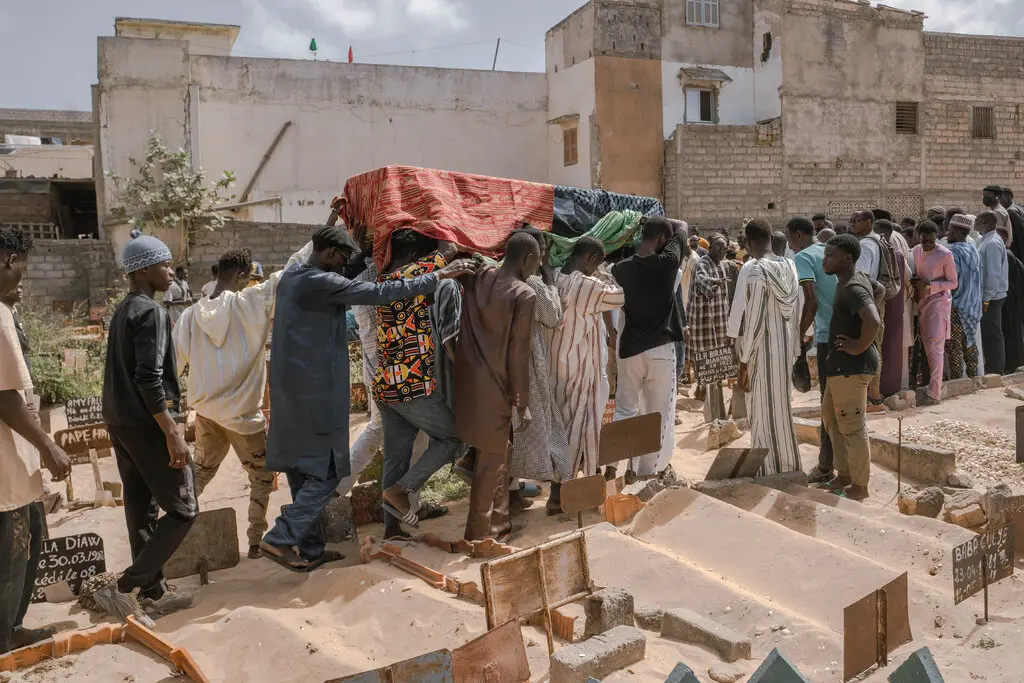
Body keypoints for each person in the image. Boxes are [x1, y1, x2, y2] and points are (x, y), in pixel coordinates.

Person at [260, 226, 475, 569]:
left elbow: (355, 271)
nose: (346, 267)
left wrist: (364, 246)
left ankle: (310, 550)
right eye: (342, 260)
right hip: (315, 394)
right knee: (328, 474)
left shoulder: (291, 277)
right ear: (330, 254)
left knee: (303, 472)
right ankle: (280, 538)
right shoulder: (322, 283)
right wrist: (440, 274)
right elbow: (380, 291)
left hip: (294, 392)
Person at [95, 232, 195, 626]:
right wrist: (171, 431)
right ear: (143, 269)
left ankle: (153, 592)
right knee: (184, 509)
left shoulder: (124, 310)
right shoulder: (151, 312)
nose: (171, 271)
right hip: (147, 423)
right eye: (165, 264)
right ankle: (125, 586)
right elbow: (149, 378)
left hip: (121, 422)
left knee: (141, 507)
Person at [172, 248, 280, 560]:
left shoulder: (190, 315)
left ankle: (174, 531)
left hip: (206, 413)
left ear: (217, 273)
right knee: (261, 477)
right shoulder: (250, 301)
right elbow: (290, 271)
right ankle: (256, 541)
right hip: (243, 416)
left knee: (201, 473)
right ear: (243, 276)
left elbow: (172, 365)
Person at [0, 228, 72, 655]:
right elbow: (6, 396)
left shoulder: (5, 310)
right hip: (7, 462)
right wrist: (47, 444)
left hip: (15, 461)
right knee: (15, 552)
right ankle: (6, 635)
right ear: (10, 260)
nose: (23, 276)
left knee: (32, 536)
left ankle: (13, 626)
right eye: (21, 265)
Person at [375, 230, 465, 531]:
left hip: (387, 384)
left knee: (395, 459)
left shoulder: (381, 280)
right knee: (452, 437)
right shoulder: (406, 277)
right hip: (411, 384)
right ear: (415, 257)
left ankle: (392, 528)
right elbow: (450, 250)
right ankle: (403, 490)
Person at [454, 234, 538, 542]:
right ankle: (477, 535)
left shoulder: (481, 276)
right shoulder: (524, 293)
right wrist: (522, 401)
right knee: (491, 463)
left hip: (468, 382)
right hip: (497, 385)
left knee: (499, 455)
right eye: (537, 260)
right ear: (528, 259)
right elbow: (519, 352)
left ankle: (499, 527)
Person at [503, 228, 571, 515]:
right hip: (528, 365)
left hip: (497, 365)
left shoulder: (495, 278)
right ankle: (555, 491)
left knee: (509, 433)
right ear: (531, 256)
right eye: (542, 252)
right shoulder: (530, 283)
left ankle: (512, 496)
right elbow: (553, 317)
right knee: (543, 430)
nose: (544, 257)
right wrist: (551, 280)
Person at [612, 218, 687, 477]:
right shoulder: (669, 267)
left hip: (630, 350)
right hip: (660, 352)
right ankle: (647, 474)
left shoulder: (619, 270)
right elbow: (683, 228)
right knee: (658, 416)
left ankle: (614, 469)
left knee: (625, 410)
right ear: (664, 241)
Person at [727, 219, 801, 476]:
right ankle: (789, 465)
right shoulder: (790, 265)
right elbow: (796, 310)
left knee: (760, 414)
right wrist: (796, 349)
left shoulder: (757, 271)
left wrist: (744, 362)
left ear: (748, 243)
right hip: (784, 352)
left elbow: (755, 321)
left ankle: (766, 470)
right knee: (782, 411)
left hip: (760, 352)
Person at [549, 238, 625, 478]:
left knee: (561, 427)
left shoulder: (554, 275)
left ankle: (558, 486)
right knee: (582, 426)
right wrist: (604, 274)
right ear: (592, 259)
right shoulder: (587, 285)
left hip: (556, 366)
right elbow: (619, 296)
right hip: (580, 368)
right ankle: (567, 488)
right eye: (597, 264)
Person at [820, 234, 881, 501]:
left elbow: (874, 321)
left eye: (830, 255)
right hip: (840, 368)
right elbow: (878, 290)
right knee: (832, 419)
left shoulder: (852, 288)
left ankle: (860, 486)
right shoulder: (853, 280)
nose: (825, 260)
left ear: (847, 258)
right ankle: (844, 474)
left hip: (852, 367)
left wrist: (858, 345)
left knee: (853, 427)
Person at [787, 218, 837, 484]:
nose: (790, 246)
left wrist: (797, 334)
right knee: (838, 403)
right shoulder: (828, 250)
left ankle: (826, 466)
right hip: (844, 332)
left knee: (826, 405)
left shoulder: (804, 257)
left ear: (797, 235)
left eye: (789, 239)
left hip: (828, 335)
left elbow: (812, 300)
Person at [910, 221, 957, 405]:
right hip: (921, 303)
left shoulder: (945, 254)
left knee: (935, 347)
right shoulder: (916, 251)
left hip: (939, 302)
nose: (927, 244)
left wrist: (930, 286)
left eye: (931, 241)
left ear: (936, 237)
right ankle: (930, 386)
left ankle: (935, 392)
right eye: (924, 241)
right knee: (927, 348)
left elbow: (953, 283)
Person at [687, 234, 731, 420]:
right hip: (703, 318)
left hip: (719, 317)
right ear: (710, 247)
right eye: (718, 248)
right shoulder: (703, 263)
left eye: (724, 249)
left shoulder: (722, 264)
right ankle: (703, 387)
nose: (721, 251)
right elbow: (702, 280)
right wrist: (717, 282)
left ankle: (711, 390)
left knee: (717, 354)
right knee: (703, 353)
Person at [848, 211, 890, 411]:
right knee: (874, 344)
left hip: (869, 301)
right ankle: (874, 395)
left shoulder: (865, 245)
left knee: (869, 345)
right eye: (852, 221)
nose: (852, 224)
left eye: (856, 221)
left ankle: (872, 398)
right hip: (877, 299)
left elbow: (861, 277)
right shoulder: (878, 241)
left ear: (868, 222)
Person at [874, 220, 910, 397]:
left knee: (884, 346)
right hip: (897, 306)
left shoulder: (885, 253)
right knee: (893, 345)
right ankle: (891, 387)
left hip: (885, 305)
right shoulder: (896, 253)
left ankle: (881, 389)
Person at [945, 215, 983, 380]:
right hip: (973, 306)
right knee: (969, 342)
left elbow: (952, 281)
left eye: (951, 230)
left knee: (955, 346)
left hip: (957, 306)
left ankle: (957, 382)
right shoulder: (973, 250)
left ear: (959, 231)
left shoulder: (953, 252)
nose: (948, 234)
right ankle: (974, 379)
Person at [977, 211, 1009, 375]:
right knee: (989, 332)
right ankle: (993, 367)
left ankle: (996, 370)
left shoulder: (992, 243)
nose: (975, 223)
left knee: (993, 333)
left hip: (992, 297)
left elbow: (993, 274)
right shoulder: (987, 241)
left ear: (986, 222)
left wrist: (986, 299)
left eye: (978, 220)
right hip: (991, 296)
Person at [998, 227, 1024, 374]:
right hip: (1012, 299)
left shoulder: (1007, 254)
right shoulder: (1008, 253)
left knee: (1010, 333)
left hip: (1010, 300)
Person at [1000, 187, 1024, 262]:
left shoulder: (1010, 212)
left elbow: (1020, 234)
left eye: (1000, 198)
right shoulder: (1019, 208)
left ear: (1007, 198)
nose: (999, 202)